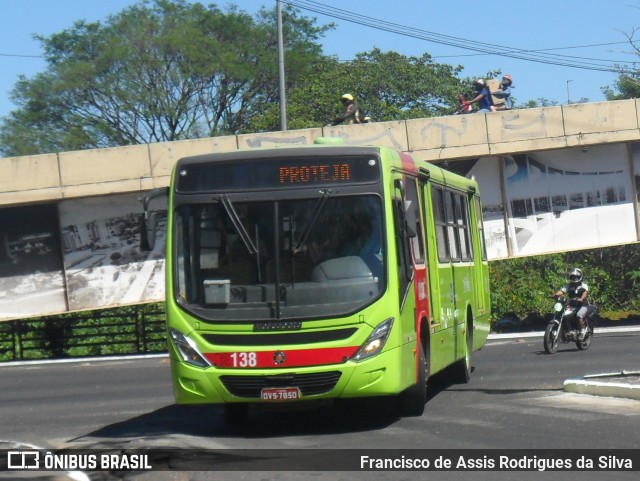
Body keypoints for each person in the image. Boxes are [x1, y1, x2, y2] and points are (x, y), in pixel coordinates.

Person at [554, 268, 590, 339]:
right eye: (573, 276)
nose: (575, 278)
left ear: (580, 277)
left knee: (579, 315)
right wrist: (555, 295)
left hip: (582, 305)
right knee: (564, 314)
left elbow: (585, 293)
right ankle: (569, 330)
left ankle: (582, 331)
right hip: (572, 304)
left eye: (576, 277)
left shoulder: (584, 285)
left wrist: (581, 298)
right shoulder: (569, 286)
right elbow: (562, 291)